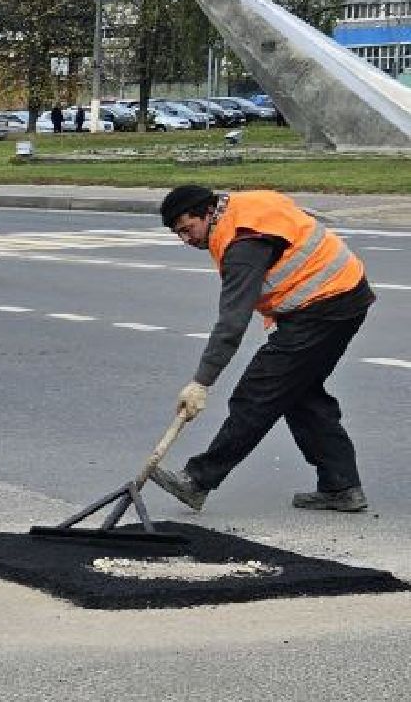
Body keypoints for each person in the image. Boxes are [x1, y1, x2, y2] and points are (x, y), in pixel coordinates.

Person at [147, 186, 375, 514]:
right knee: (299, 394)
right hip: (342, 295)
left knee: (257, 394)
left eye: (187, 229)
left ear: (208, 213)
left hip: (325, 306)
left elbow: (231, 324)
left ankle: (198, 481)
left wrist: (201, 382)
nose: (186, 239)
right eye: (178, 234)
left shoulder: (242, 243)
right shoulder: (244, 206)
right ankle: (342, 487)